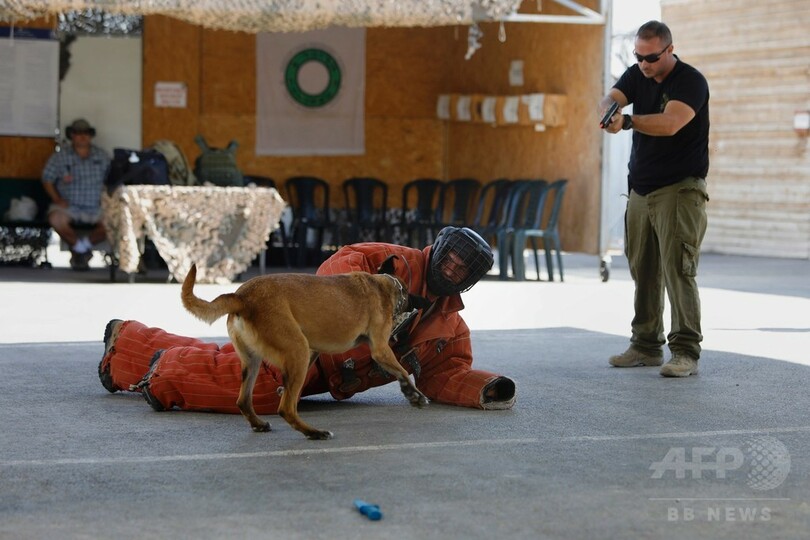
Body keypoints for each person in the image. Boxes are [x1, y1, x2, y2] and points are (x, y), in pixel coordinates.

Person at [98, 226, 517, 416]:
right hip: (308, 341)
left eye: (463, 269)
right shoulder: (391, 262)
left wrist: (487, 388)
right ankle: (161, 375)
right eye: (451, 259)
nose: (452, 269)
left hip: (329, 375)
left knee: (234, 358)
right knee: (261, 389)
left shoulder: (449, 327)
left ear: (470, 280)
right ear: (437, 250)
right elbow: (343, 263)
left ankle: (129, 340)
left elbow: (446, 371)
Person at [599, 20, 710, 377]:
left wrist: (628, 122)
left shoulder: (690, 81)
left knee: (679, 270)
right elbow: (611, 96)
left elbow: (670, 122)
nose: (644, 64)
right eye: (638, 56)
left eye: (651, 57)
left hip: (679, 188)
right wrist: (609, 111)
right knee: (643, 269)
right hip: (641, 189)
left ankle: (685, 352)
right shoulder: (637, 74)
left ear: (669, 50)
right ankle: (645, 346)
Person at [42, 118, 111, 270]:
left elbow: (112, 180)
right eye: (78, 133)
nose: (82, 136)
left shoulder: (102, 156)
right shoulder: (60, 156)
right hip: (70, 206)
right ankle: (81, 250)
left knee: (113, 222)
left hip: (96, 206)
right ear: (71, 135)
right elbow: (47, 178)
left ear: (90, 135)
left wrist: (107, 201)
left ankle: (80, 249)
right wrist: (56, 199)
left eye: (86, 133)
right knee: (55, 218)